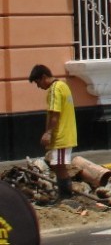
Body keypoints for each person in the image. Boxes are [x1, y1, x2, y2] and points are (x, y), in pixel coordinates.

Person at [28, 64, 78, 200]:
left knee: (59, 166)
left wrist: (48, 133)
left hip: (61, 135)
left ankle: (66, 197)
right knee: (58, 165)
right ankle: (65, 195)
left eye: (38, 82)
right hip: (66, 133)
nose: (38, 86)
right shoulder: (63, 85)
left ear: (44, 77)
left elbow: (55, 114)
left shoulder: (55, 90)